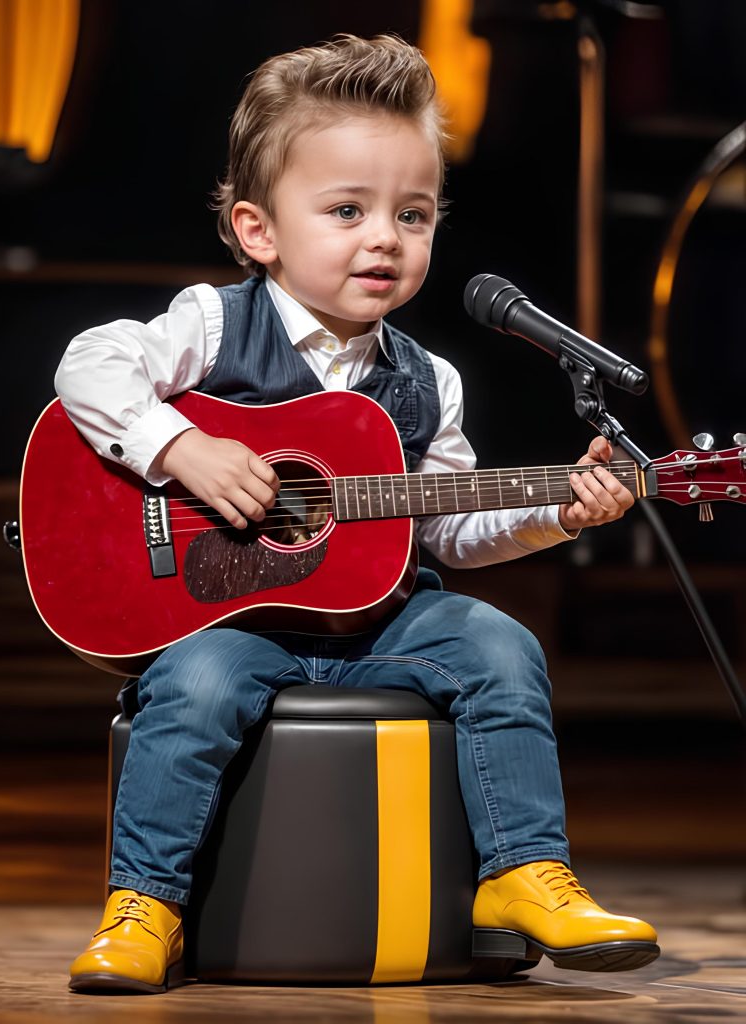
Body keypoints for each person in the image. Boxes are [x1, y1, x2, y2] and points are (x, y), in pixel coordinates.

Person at [57, 34, 658, 995]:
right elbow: (88, 365)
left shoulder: (430, 380)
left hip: (384, 620)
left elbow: (450, 530)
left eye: (412, 215)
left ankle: (523, 874)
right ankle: (147, 906)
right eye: (347, 211)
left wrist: (560, 514)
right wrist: (184, 449)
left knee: (503, 650)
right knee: (198, 691)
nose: (385, 237)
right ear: (259, 230)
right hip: (234, 619)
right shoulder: (215, 325)